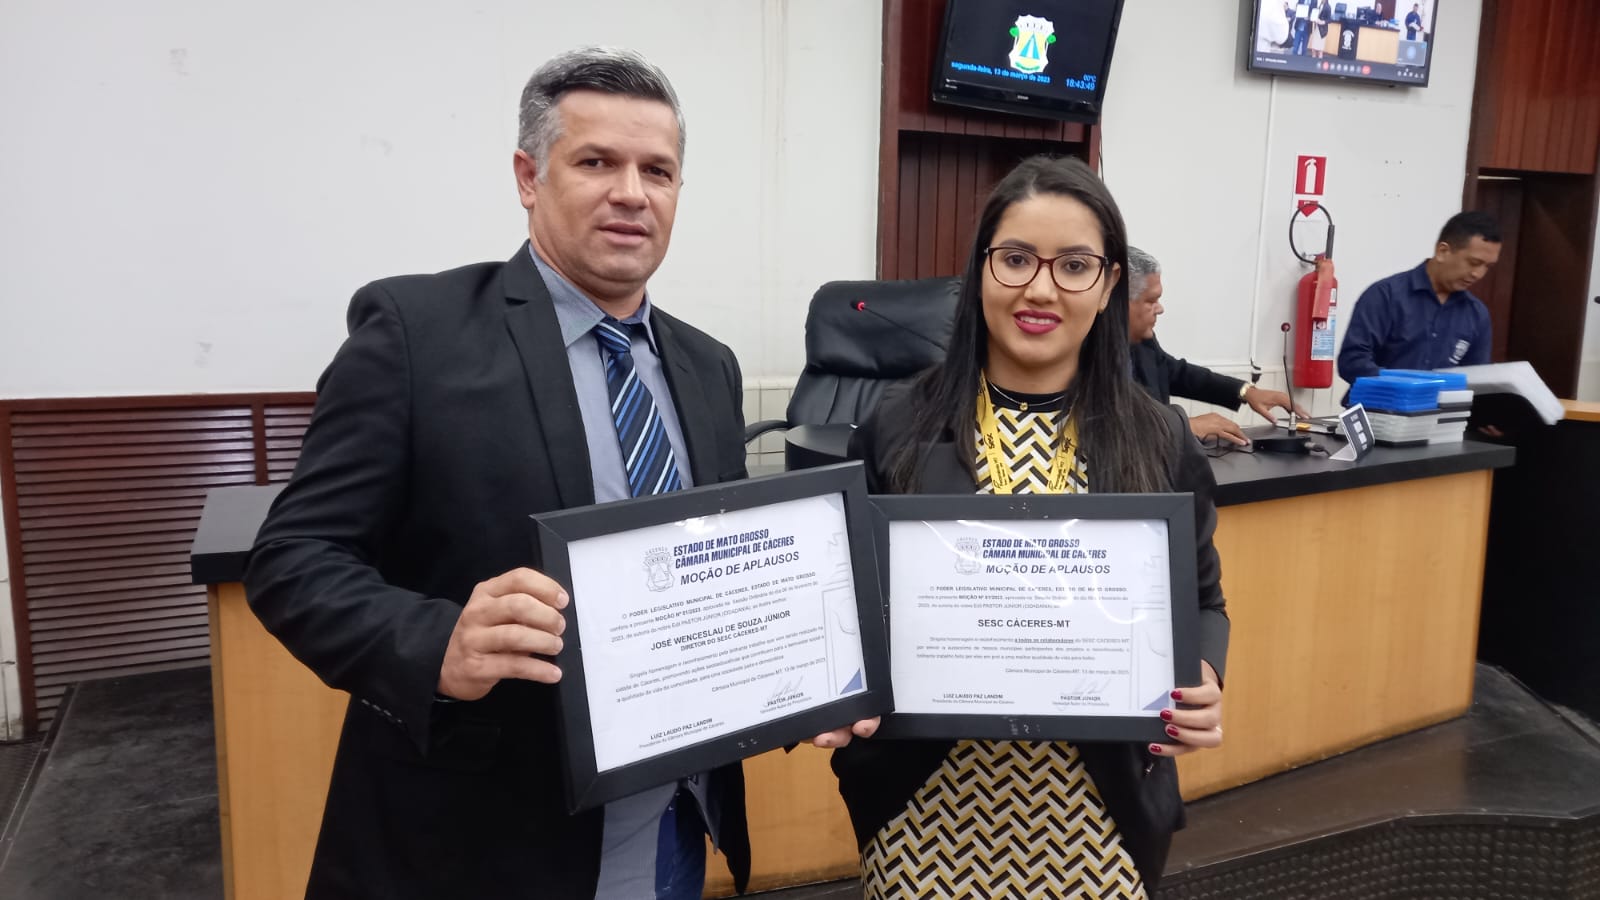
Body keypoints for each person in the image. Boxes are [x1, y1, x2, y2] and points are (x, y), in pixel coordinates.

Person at [244, 47, 872, 900]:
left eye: (658, 170)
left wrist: (809, 677)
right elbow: (292, 559)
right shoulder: (415, 335)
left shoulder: (707, 366)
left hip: (672, 831)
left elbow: (713, 582)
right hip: (481, 848)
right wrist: (437, 644)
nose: (632, 193)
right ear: (528, 177)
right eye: (596, 162)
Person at [831, 156, 1229, 898]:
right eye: (1015, 259)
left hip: (1097, 822)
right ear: (980, 270)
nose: (1040, 289)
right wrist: (837, 686)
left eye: (1074, 266)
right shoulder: (895, 427)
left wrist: (1202, 674)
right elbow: (851, 606)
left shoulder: (1160, 436)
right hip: (924, 815)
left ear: (1109, 284)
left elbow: (1204, 601)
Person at [1127, 246, 1306, 447]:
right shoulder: (1096, 360)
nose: (1160, 309)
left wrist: (1246, 391)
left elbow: (1174, 372)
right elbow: (1112, 427)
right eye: (1151, 300)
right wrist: (1187, 426)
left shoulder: (1143, 341)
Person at [1337, 211, 1501, 400]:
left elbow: (1476, 379)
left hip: (1443, 416)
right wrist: (1405, 389)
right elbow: (1352, 362)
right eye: (1474, 263)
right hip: (1377, 410)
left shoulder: (1476, 314)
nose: (1478, 274)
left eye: (1487, 267)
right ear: (1443, 251)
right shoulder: (1385, 296)